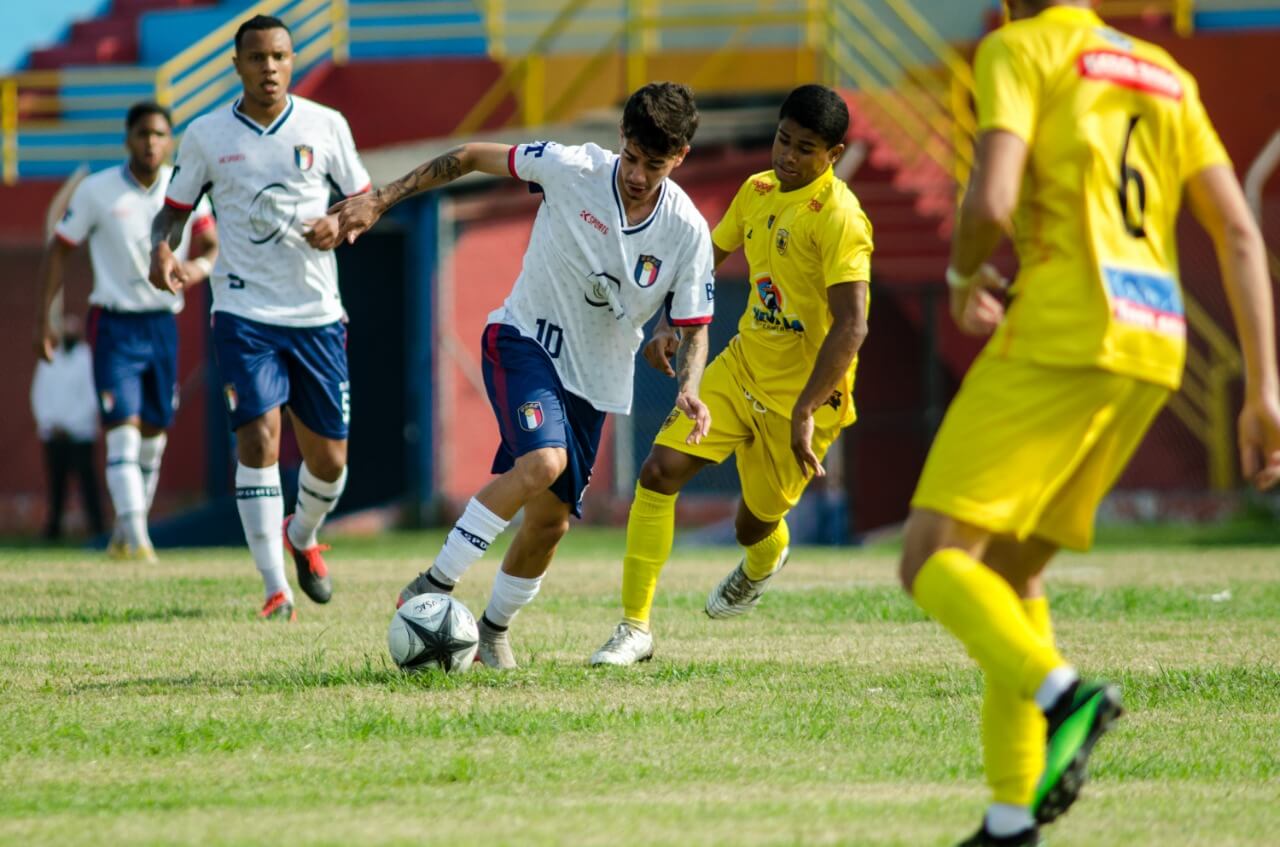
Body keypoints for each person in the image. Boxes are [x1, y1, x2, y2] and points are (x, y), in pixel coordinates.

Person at [898, 2, 1280, 844]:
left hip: (1063, 328)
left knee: (929, 556)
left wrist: (964, 273)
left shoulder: (1018, 49)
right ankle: (1009, 818)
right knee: (1008, 572)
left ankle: (1064, 692)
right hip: (1154, 347)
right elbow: (1241, 232)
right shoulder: (1164, 73)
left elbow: (992, 198)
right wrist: (1264, 391)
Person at [330, 82, 716, 669]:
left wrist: (688, 381)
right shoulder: (572, 167)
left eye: (654, 165)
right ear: (621, 140)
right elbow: (468, 156)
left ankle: (491, 634)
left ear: (680, 158)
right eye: (632, 157)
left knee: (550, 524)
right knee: (542, 463)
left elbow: (693, 323)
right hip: (523, 338)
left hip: (596, 378)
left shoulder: (686, 230)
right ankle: (432, 585)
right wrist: (381, 199)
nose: (637, 175)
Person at [588, 84, 873, 666]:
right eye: (782, 140)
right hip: (741, 366)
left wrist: (803, 410)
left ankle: (764, 561)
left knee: (753, 526)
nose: (787, 157)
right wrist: (672, 320)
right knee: (658, 471)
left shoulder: (841, 218)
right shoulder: (758, 191)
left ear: (834, 154)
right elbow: (703, 260)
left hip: (806, 396)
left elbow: (852, 327)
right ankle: (634, 628)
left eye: (805, 149)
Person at [150, 14, 372, 622]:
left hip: (318, 315)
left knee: (329, 462)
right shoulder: (205, 133)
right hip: (243, 311)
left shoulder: (326, 126)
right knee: (259, 439)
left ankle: (302, 536)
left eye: (278, 56)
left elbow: (364, 201)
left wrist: (340, 221)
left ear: (292, 60)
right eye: (256, 58)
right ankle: (275, 588)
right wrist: (161, 248)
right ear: (238, 65)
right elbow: (173, 209)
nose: (268, 68)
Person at [36, 101, 217, 561]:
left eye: (159, 134)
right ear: (128, 139)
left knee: (154, 438)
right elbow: (60, 249)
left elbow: (212, 245)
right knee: (123, 430)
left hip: (161, 324)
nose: (151, 143)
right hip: (114, 324)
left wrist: (194, 268)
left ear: (170, 140)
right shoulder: (98, 191)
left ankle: (126, 530)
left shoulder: (187, 189)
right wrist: (47, 318)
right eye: (143, 134)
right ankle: (138, 538)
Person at [31, 315, 106, 540]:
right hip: (54, 435)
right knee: (56, 484)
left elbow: (91, 398)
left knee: (88, 483)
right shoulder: (49, 358)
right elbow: (39, 395)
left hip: (80, 435)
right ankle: (53, 530)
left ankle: (98, 528)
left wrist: (71, 424)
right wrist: (51, 423)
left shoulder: (87, 358)